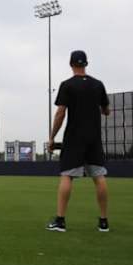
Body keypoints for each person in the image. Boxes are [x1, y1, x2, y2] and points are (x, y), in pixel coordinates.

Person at [46, 50, 110, 232]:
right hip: (94, 138)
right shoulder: (98, 85)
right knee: (99, 176)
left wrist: (52, 137)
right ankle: (103, 222)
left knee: (67, 176)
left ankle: (60, 220)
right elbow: (107, 110)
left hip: (74, 137)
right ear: (86, 64)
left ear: (71, 64)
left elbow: (60, 113)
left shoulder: (67, 85)